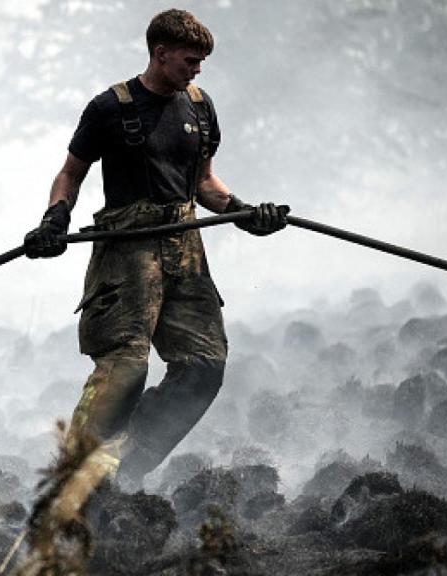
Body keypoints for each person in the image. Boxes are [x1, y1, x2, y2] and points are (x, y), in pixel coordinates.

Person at [24, 8, 288, 489]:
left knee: (204, 367)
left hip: (185, 250)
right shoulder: (110, 108)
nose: (198, 69)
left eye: (202, 61)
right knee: (125, 370)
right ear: (160, 53)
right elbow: (71, 172)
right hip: (126, 254)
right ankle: (73, 477)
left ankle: (122, 472)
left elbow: (205, 183)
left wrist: (247, 213)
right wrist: (54, 219)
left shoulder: (200, 106)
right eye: (191, 59)